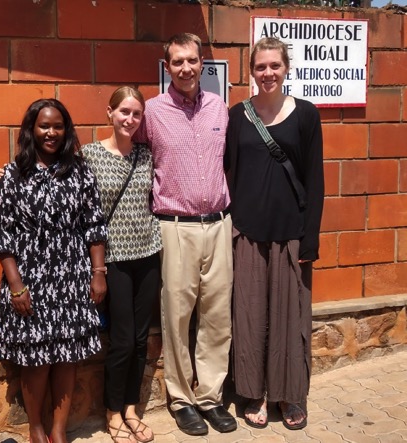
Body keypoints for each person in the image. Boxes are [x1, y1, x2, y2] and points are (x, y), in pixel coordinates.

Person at [135, 33, 237, 436]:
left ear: (201, 64)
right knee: (176, 317)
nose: (186, 68)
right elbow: (127, 153)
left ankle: (210, 396)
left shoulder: (219, 109)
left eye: (192, 61)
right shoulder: (152, 112)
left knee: (217, 317)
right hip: (174, 227)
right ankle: (181, 399)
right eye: (177, 62)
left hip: (219, 224)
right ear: (167, 67)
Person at [0, 98, 107, 443]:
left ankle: (58, 431)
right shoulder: (12, 175)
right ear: (31, 130)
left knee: (68, 356)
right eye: (44, 126)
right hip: (30, 278)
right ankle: (36, 429)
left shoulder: (80, 171)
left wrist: (98, 272)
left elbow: (94, 224)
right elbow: (2, 236)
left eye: (58, 126)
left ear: (66, 130)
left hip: (72, 275)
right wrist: (16, 286)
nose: (51, 133)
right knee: (36, 357)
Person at [224, 37, 324, 431]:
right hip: (247, 233)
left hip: (290, 236)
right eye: (260, 67)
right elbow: (227, 173)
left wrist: (311, 236)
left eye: (274, 66)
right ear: (251, 71)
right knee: (249, 319)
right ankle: (255, 393)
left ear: (286, 69)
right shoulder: (237, 116)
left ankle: (290, 396)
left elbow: (314, 180)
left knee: (289, 320)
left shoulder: (306, 115)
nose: (268, 73)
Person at [80, 86, 161, 443]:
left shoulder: (146, 154)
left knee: (142, 340)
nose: (130, 119)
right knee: (123, 339)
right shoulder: (90, 155)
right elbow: (58, 182)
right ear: (109, 112)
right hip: (113, 259)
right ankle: (112, 412)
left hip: (149, 252)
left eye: (136, 114)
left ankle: (131, 407)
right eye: (124, 112)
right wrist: (10, 175)